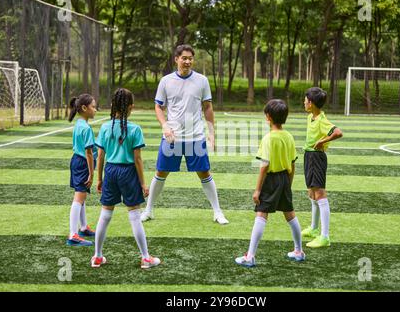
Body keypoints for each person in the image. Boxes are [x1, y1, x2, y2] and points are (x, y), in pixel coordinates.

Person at [141, 44, 228, 225]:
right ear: (176, 59)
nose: (187, 61)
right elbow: (158, 106)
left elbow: (208, 107)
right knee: (161, 172)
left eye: (190, 58)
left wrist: (211, 132)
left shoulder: (202, 80)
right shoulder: (165, 81)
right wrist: (164, 125)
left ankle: (217, 212)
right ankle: (148, 210)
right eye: (184, 58)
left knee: (204, 173)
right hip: (172, 137)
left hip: (195, 137)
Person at [91, 88, 160, 269]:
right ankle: (145, 258)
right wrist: (143, 183)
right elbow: (137, 159)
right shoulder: (135, 129)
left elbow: (101, 156)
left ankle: (97, 256)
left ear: (113, 105)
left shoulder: (105, 127)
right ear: (131, 107)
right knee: (135, 216)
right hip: (128, 172)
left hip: (111, 171)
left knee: (105, 215)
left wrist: (100, 179)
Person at [235, 99, 304, 267]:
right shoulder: (289, 136)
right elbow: (293, 164)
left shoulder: (268, 138)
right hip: (285, 179)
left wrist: (257, 189)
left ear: (268, 117)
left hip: (271, 180)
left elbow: (264, 166)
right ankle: (299, 251)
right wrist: (288, 183)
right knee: (290, 214)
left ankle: (250, 256)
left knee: (261, 213)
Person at [300, 87, 343, 248]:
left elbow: (338, 132)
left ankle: (324, 236)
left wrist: (322, 141)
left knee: (319, 193)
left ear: (311, 103)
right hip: (309, 156)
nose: (304, 102)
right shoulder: (310, 117)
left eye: (305, 100)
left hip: (317, 158)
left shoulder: (321, 119)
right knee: (311, 192)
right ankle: (314, 228)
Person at [66, 94, 97, 247]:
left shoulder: (79, 123)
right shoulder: (86, 128)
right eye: (93, 106)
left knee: (81, 195)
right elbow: (89, 153)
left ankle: (83, 227)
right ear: (84, 108)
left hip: (76, 161)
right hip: (83, 163)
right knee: (79, 197)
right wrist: (92, 174)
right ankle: (73, 234)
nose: (95, 110)